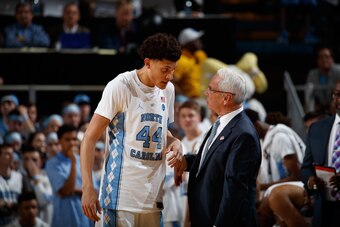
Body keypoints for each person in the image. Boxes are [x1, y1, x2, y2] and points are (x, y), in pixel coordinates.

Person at [80, 32, 183, 226]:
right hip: (119, 196)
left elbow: (161, 132)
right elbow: (89, 138)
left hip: (153, 196)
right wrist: (87, 188)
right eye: (165, 69)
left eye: (174, 70)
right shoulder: (121, 86)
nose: (170, 76)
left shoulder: (168, 90)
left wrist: (175, 142)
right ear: (148, 62)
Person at [176, 68, 262, 226]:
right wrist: (187, 162)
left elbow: (235, 188)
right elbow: (214, 160)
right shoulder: (223, 123)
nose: (205, 92)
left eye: (211, 89)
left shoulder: (244, 134)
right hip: (207, 215)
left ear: (226, 98)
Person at [300, 80, 340, 227]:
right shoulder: (316, 129)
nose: (339, 99)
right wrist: (310, 180)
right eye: (337, 95)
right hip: (324, 208)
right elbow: (305, 167)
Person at [245, 108, 306, 194]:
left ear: (257, 125)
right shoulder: (263, 142)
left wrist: (262, 187)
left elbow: (296, 176)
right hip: (279, 191)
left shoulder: (280, 138)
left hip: (298, 190)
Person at [45, 124, 95, 227]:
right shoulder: (52, 163)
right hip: (64, 219)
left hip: (85, 220)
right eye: (67, 139)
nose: (72, 143)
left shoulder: (84, 160)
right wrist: (73, 162)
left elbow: (94, 191)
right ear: (59, 141)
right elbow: (65, 191)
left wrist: (77, 190)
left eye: (74, 139)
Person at [306, 46, 340, 112]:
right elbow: (309, 94)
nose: (324, 60)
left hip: (335, 102)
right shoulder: (312, 74)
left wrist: (333, 102)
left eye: (327, 57)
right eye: (321, 57)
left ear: (332, 59)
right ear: (317, 61)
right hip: (321, 105)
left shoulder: (338, 70)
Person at [0, 144, 23, 226]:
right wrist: (7, 204)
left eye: (12, 154)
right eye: (7, 154)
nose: (11, 157)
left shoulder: (19, 177)